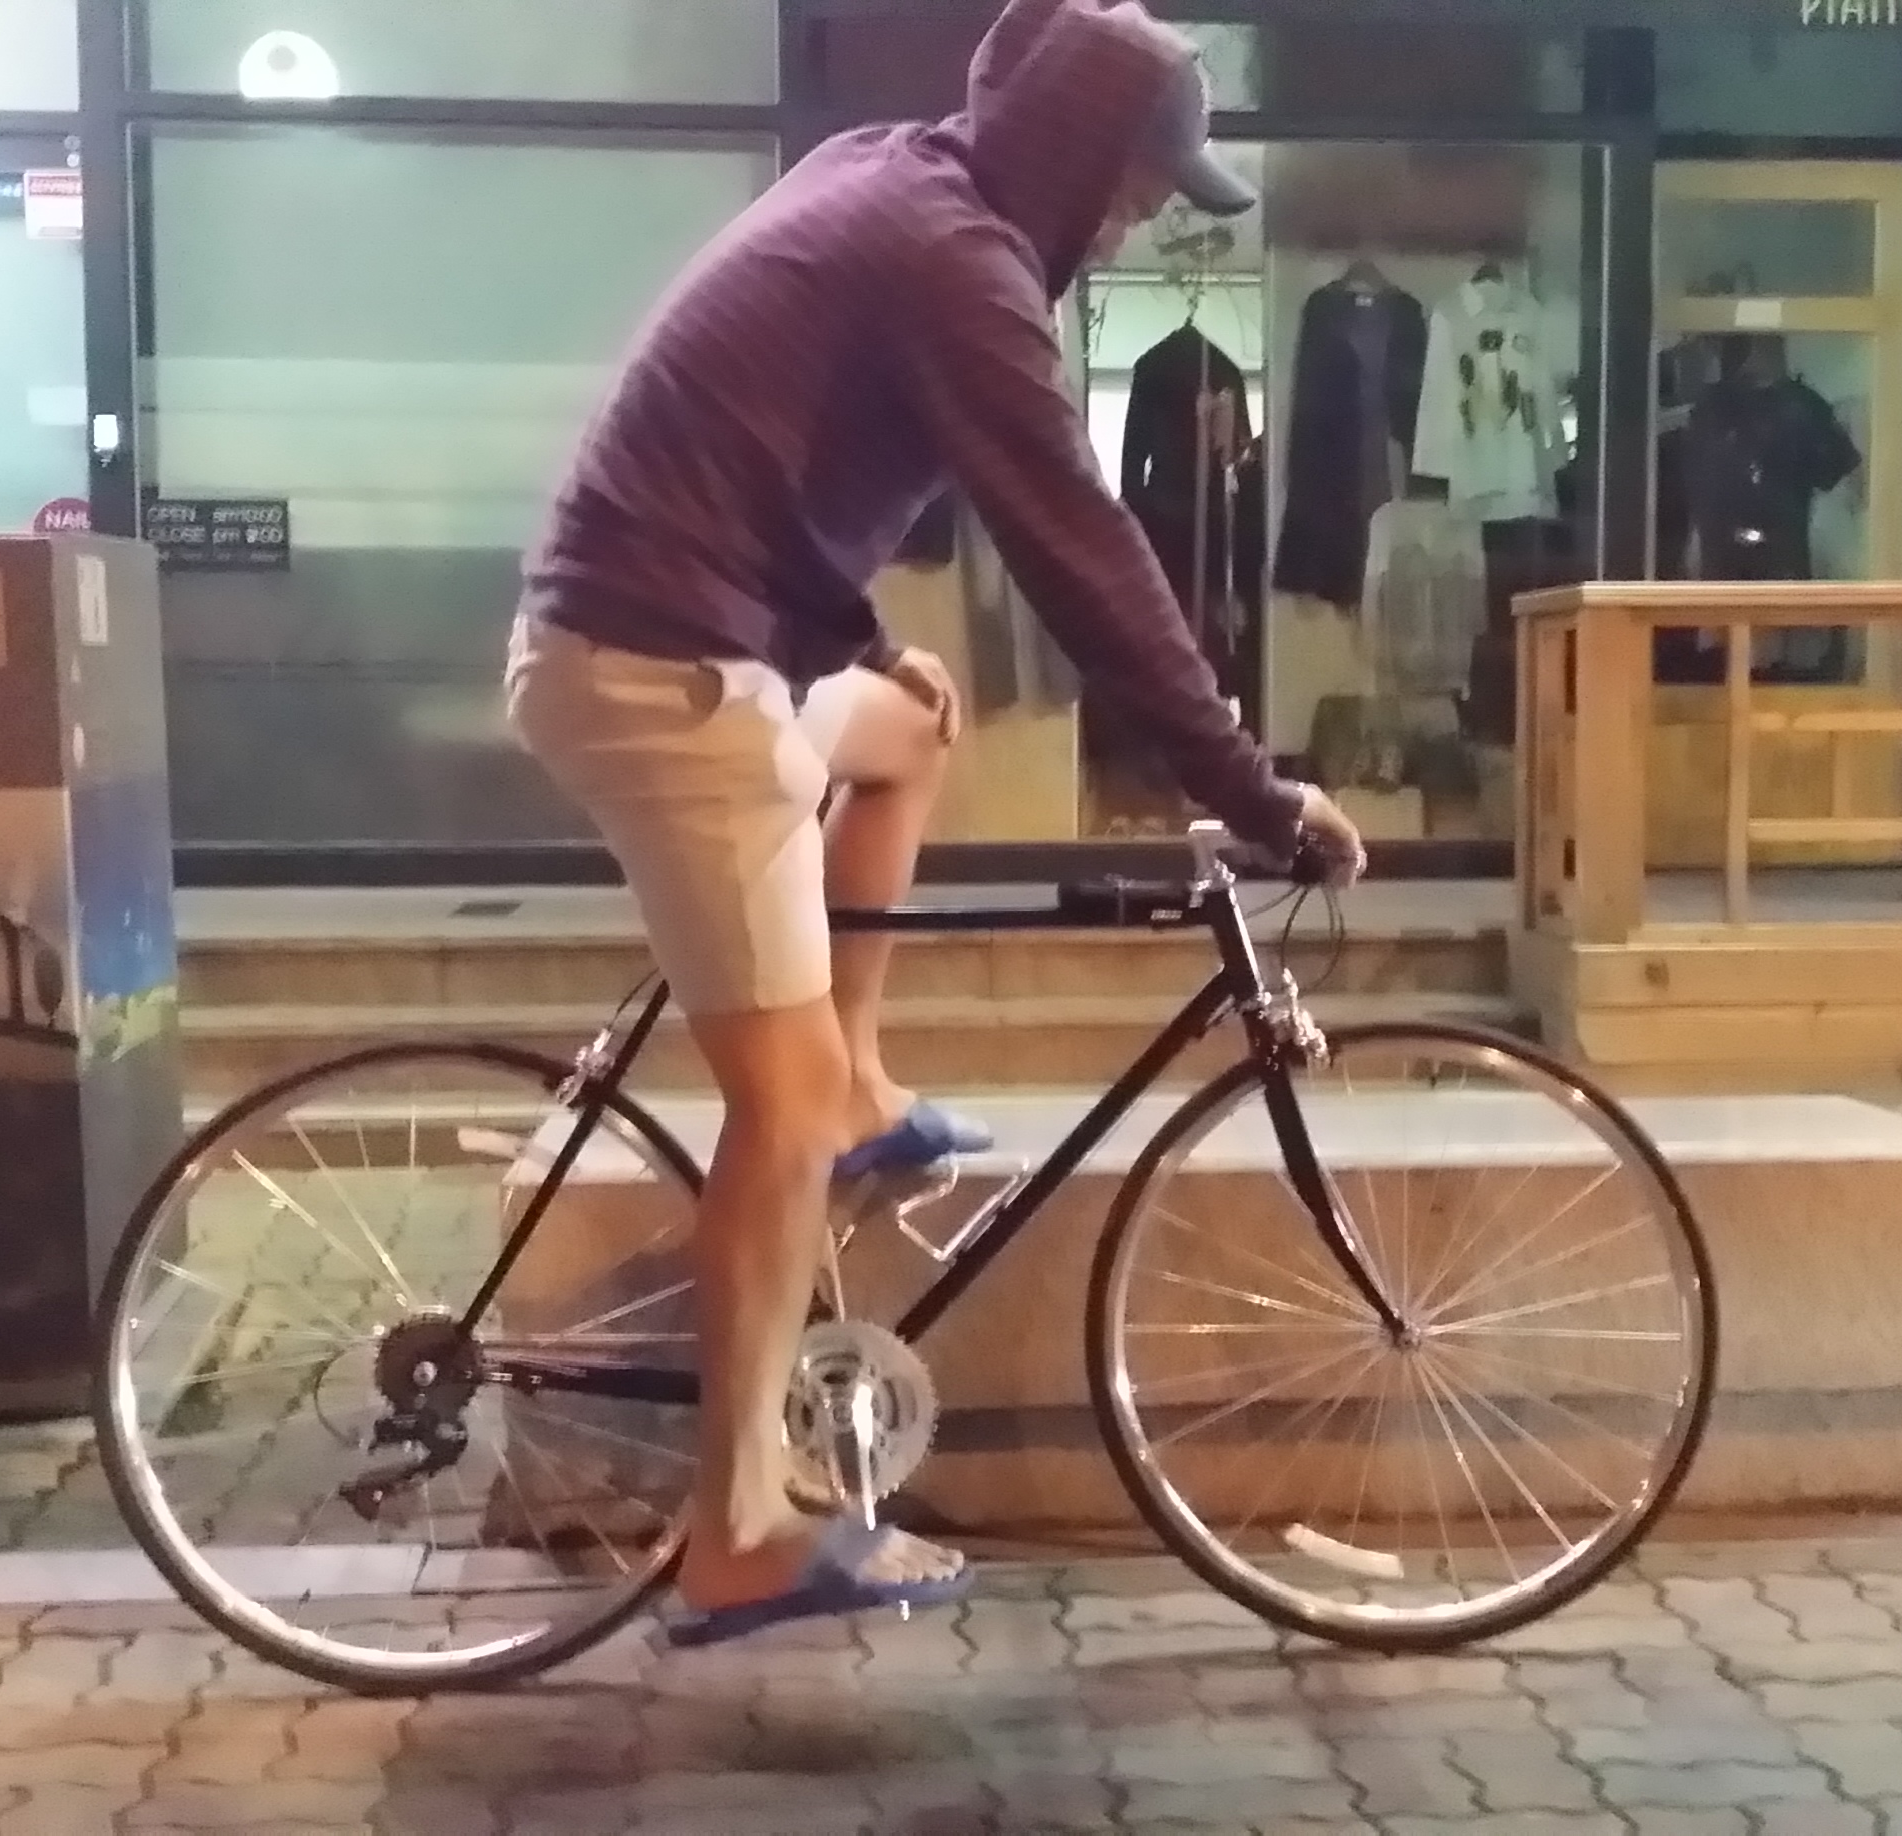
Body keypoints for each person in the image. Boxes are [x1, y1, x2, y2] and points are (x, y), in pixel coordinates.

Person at [506, 0, 1365, 1649]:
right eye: (1137, 187)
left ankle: (862, 1083)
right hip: (661, 674)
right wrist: (1249, 791)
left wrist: (846, 638)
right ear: (1075, 158)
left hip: (694, 638)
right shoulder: (958, 263)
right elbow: (1085, 554)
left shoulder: (896, 175)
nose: (1137, 223)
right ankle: (737, 1530)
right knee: (773, 1108)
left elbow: (755, 442)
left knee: (911, 724)